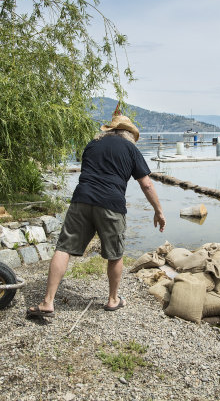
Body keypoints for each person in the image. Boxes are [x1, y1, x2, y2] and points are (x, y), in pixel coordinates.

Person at [27, 114, 166, 318]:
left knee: (64, 248)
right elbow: (146, 184)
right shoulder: (130, 149)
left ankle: (47, 302)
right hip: (111, 204)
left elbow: (89, 173)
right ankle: (113, 300)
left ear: (110, 130)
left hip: (81, 200)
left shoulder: (92, 145)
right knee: (115, 254)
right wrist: (159, 211)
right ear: (128, 134)